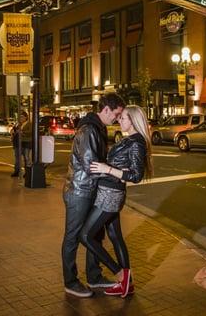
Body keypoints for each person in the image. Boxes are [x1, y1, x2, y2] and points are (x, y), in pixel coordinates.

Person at [80, 105, 152, 298]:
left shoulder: (137, 142)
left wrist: (107, 169)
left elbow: (136, 175)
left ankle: (121, 274)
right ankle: (128, 284)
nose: (120, 120)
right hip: (109, 192)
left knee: (85, 235)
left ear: (134, 121)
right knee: (115, 237)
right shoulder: (128, 139)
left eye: (124, 118)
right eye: (120, 117)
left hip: (110, 196)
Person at [61, 93, 125, 298]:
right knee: (73, 237)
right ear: (106, 109)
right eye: (116, 114)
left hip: (88, 189)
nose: (117, 118)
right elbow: (91, 166)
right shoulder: (89, 129)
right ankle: (70, 282)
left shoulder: (97, 127)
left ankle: (94, 276)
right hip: (79, 191)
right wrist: (114, 174)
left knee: (94, 235)